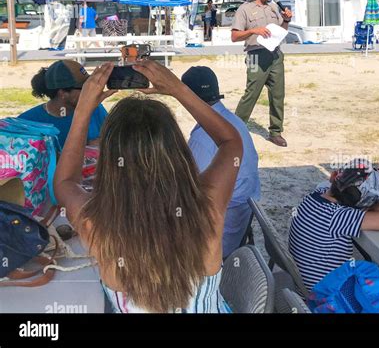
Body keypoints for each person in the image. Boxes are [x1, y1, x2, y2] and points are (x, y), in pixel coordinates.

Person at [53, 60, 243, 313]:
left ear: (110, 158)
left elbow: (65, 182)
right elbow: (231, 142)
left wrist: (82, 111)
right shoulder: (207, 208)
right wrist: (179, 89)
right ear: (178, 150)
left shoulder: (95, 224)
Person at [182, 66, 261, 258]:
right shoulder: (232, 121)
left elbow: (190, 190)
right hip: (240, 217)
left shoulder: (203, 139)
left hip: (220, 233)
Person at [288, 162, 379, 291]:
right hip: (325, 295)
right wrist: (376, 201)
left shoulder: (315, 195)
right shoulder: (340, 216)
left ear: (333, 176)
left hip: (304, 285)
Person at [231, 0, 292, 147]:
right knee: (251, 94)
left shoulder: (273, 7)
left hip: (275, 55)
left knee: (278, 95)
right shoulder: (244, 10)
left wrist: (286, 20)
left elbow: (282, 30)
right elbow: (234, 36)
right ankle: (235, 130)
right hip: (256, 56)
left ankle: (275, 132)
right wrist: (253, 31)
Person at [18, 60, 107, 149]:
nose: (90, 90)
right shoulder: (27, 123)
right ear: (63, 93)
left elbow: (112, 138)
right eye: (84, 88)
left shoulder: (95, 109)